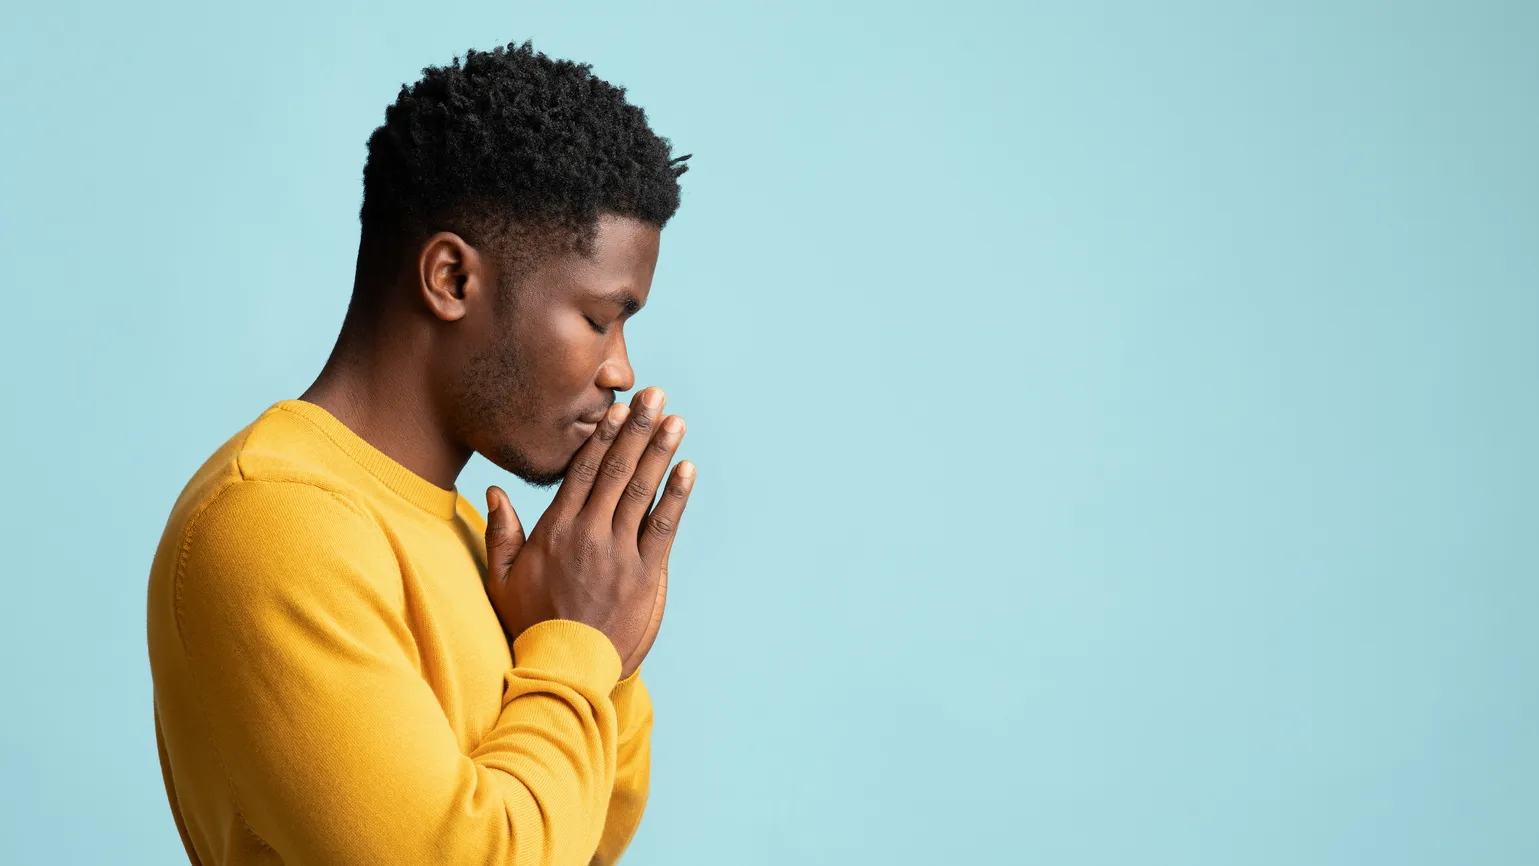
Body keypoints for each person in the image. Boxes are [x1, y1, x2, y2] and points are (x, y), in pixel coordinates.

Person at [145, 40, 696, 866]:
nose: (620, 370)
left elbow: (579, 840)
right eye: (597, 318)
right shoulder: (272, 523)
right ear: (451, 279)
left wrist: (599, 642)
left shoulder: (477, 545)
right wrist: (580, 643)